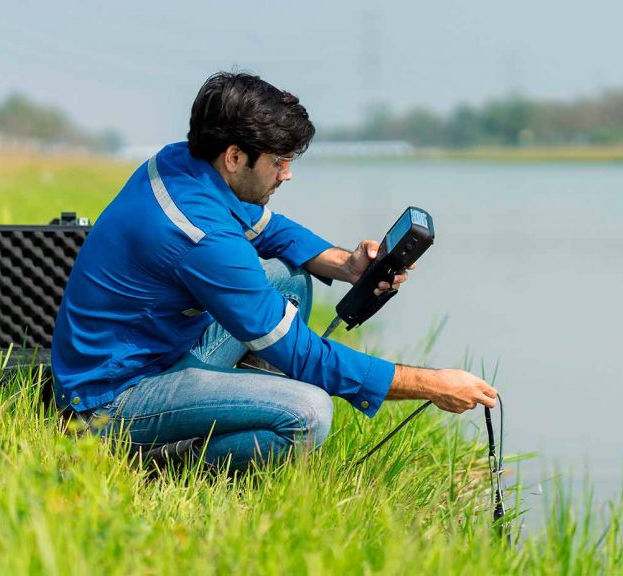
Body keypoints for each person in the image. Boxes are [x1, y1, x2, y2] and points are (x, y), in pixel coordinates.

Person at [51, 72, 497, 472]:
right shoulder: (200, 235)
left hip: (155, 350)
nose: (287, 175)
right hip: (112, 398)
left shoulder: (182, 161)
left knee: (290, 279)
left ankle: (241, 402)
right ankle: (170, 456)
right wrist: (432, 384)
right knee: (309, 411)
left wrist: (348, 265)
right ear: (234, 156)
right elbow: (301, 354)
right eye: (278, 162)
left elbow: (271, 230)